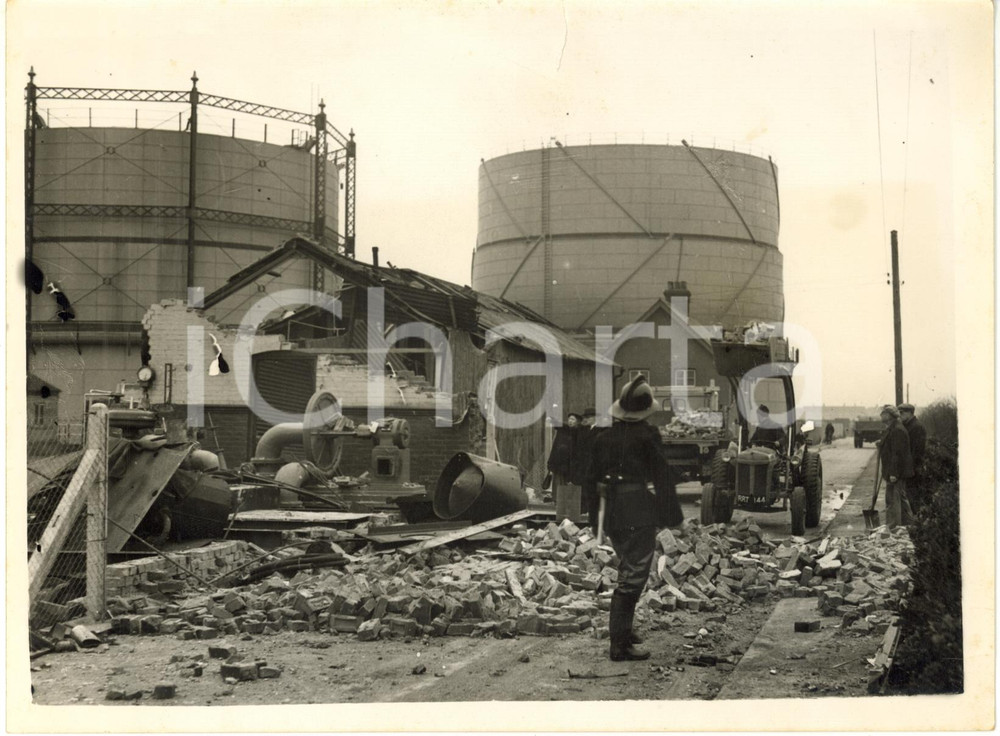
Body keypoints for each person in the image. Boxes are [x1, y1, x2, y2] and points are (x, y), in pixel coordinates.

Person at [587, 375, 684, 661]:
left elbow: (590, 480)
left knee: (627, 569)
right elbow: (662, 477)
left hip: (614, 514)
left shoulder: (603, 435)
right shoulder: (647, 435)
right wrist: (674, 517)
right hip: (637, 512)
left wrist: (596, 523)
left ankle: (624, 632)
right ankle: (620, 645)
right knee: (633, 577)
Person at [877, 404, 913, 528]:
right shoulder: (892, 428)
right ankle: (908, 525)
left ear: (889, 415)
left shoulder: (897, 429)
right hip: (894, 471)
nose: (881, 415)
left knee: (893, 500)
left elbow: (897, 453)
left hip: (896, 472)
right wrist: (881, 444)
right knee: (899, 499)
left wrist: (894, 473)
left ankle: (893, 526)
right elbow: (890, 444)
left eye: (883, 413)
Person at [573, 408, 603, 529]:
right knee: (584, 486)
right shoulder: (585, 429)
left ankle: (592, 513)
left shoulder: (601, 430)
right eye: (585, 418)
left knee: (593, 488)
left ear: (595, 418)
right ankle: (585, 511)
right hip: (584, 463)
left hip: (594, 464)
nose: (586, 420)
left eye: (588, 417)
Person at [544, 412, 581, 508]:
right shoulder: (562, 431)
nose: (570, 421)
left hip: (569, 464)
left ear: (577, 422)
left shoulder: (577, 432)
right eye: (569, 419)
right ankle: (557, 502)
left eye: (573, 419)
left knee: (566, 483)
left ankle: (564, 503)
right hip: (558, 463)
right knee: (557, 483)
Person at [898, 403, 927, 513]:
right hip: (909, 468)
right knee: (909, 496)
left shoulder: (916, 427)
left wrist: (910, 469)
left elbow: (917, 451)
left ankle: (916, 523)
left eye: (902, 413)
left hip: (913, 469)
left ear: (910, 413)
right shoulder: (908, 425)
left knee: (913, 497)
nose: (900, 415)